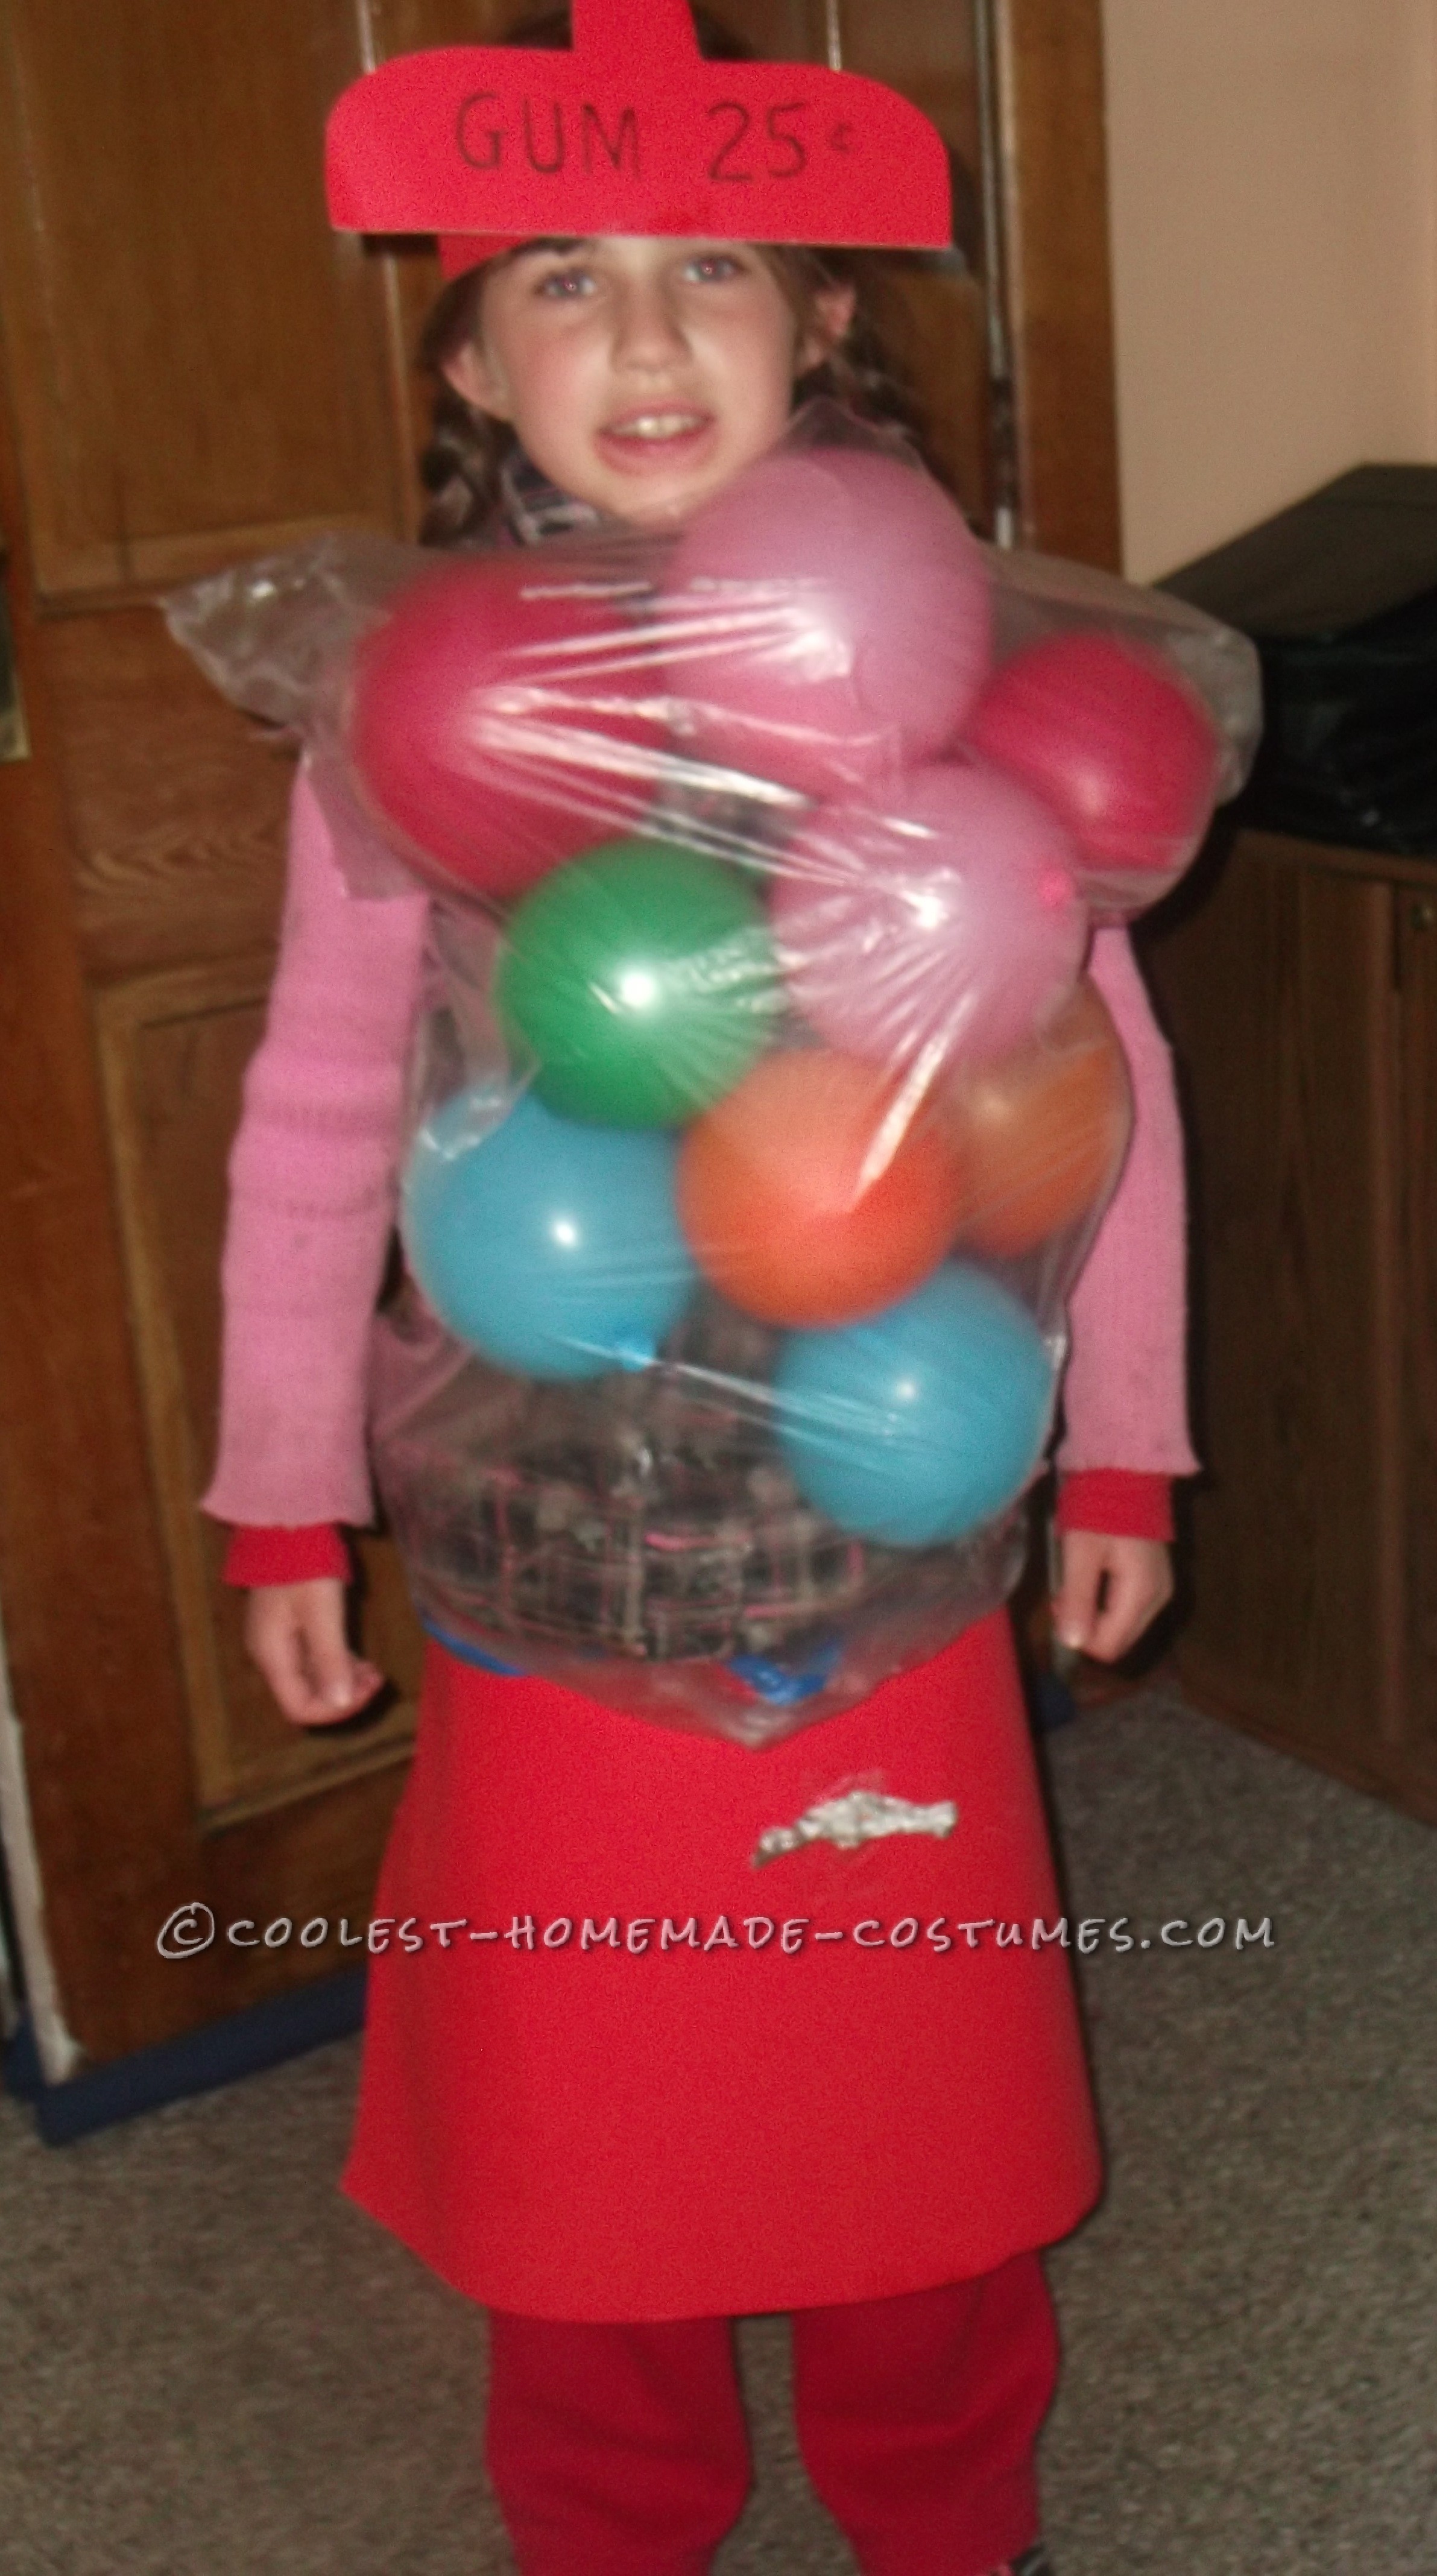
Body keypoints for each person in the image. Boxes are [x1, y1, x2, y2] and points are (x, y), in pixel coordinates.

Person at [206, 9, 1196, 2571]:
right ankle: (611, 2521)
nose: (644, 340)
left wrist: (1118, 1440)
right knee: (591, 2135)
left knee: (912, 2112)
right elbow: (319, 1129)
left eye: (714, 269)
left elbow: (1092, 1099)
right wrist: (286, 1504)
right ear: (466, 350)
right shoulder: (421, 728)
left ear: (819, 328)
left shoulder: (952, 700)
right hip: (553, 1554)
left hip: (892, 1520)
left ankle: (941, 2501)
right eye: (563, 275)